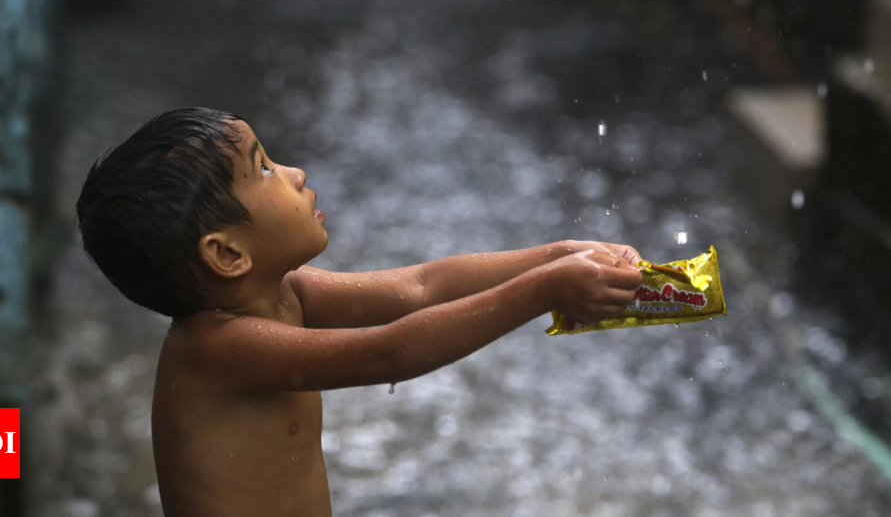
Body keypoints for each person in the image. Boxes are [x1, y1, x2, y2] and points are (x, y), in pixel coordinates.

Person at [75, 107, 644, 516]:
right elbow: (389, 351)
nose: (294, 172)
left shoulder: (285, 295)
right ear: (228, 254)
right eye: (266, 168)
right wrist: (544, 291)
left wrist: (558, 255)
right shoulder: (218, 350)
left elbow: (422, 285)